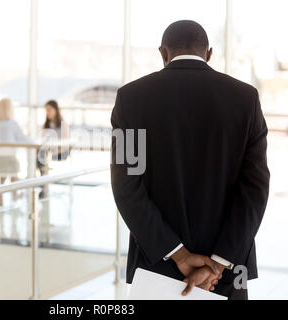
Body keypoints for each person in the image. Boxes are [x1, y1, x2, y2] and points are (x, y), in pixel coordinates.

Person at [110, 20, 270, 300]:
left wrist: (179, 255)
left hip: (157, 265)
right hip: (228, 273)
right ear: (209, 54)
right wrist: (218, 263)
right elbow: (255, 190)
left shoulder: (132, 99)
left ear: (163, 53)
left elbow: (126, 187)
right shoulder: (245, 99)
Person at [0, 98, 33, 205]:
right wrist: (35, 141)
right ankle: (14, 194)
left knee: (4, 164)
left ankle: (2, 196)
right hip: (9, 162)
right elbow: (23, 139)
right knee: (10, 164)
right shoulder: (12, 123)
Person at [37, 100, 70, 176]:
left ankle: (43, 181)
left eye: (49, 110)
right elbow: (42, 140)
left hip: (61, 152)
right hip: (48, 151)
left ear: (56, 110)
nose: (47, 113)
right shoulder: (46, 125)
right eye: (46, 111)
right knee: (39, 155)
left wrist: (53, 152)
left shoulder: (64, 125)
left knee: (42, 157)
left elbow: (66, 144)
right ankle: (42, 179)